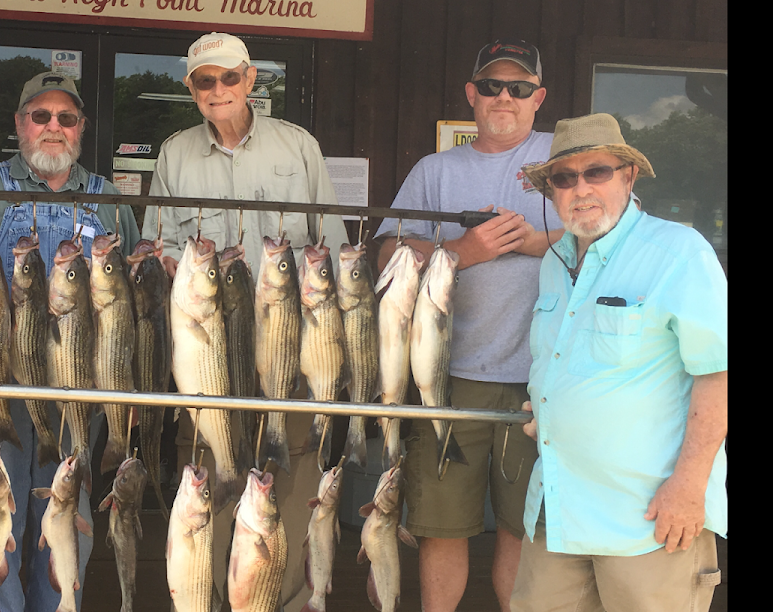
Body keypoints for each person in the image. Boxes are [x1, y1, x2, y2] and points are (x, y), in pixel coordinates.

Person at [141, 31, 349, 611]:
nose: (218, 89)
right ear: (192, 89)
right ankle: (207, 599)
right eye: (205, 80)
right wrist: (167, 263)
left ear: (250, 79)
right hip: (209, 350)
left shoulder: (298, 146)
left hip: (288, 347)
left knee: (291, 482)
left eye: (229, 76)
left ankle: (281, 603)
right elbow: (160, 243)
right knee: (208, 478)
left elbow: (330, 244)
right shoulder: (175, 153)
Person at [370, 38, 563, 612]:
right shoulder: (436, 169)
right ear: (471, 95)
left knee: (522, 529)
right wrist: (461, 251)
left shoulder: (564, 157)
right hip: (447, 377)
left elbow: (616, 231)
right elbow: (385, 252)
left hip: (542, 379)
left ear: (539, 98)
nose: (505, 96)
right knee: (442, 527)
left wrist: (535, 242)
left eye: (519, 87)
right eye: (493, 86)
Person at [511, 112, 727, 611]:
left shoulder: (678, 253)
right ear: (551, 191)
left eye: (597, 172)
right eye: (565, 178)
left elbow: (718, 374)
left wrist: (688, 487)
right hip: (558, 513)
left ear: (628, 177)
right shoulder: (554, 264)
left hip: (648, 521)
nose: (581, 188)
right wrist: (549, 409)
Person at [0, 70, 139, 612]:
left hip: (80, 380)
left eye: (66, 118)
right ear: (19, 124)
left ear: (81, 127)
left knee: (64, 513)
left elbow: (127, 303)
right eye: (40, 116)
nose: (53, 127)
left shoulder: (109, 198)